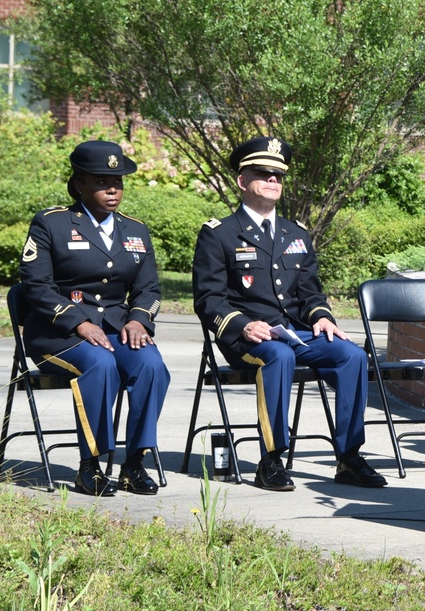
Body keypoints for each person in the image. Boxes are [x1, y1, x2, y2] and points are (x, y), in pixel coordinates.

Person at [192, 136, 387, 491]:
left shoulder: (295, 233)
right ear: (241, 181)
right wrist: (243, 324)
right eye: (263, 173)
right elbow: (208, 299)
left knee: (352, 356)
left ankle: (349, 457)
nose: (272, 181)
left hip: (295, 333)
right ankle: (271, 459)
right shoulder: (219, 234)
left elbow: (309, 291)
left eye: (278, 176)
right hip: (247, 339)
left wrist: (321, 317)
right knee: (278, 356)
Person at [19, 140, 170, 496]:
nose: (112, 189)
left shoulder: (135, 230)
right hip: (59, 336)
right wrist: (79, 322)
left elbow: (149, 290)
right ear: (80, 184)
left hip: (118, 332)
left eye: (117, 181)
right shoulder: (50, 224)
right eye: (102, 181)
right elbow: (36, 286)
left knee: (151, 365)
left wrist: (137, 320)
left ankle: (134, 463)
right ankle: (91, 465)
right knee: (100, 365)